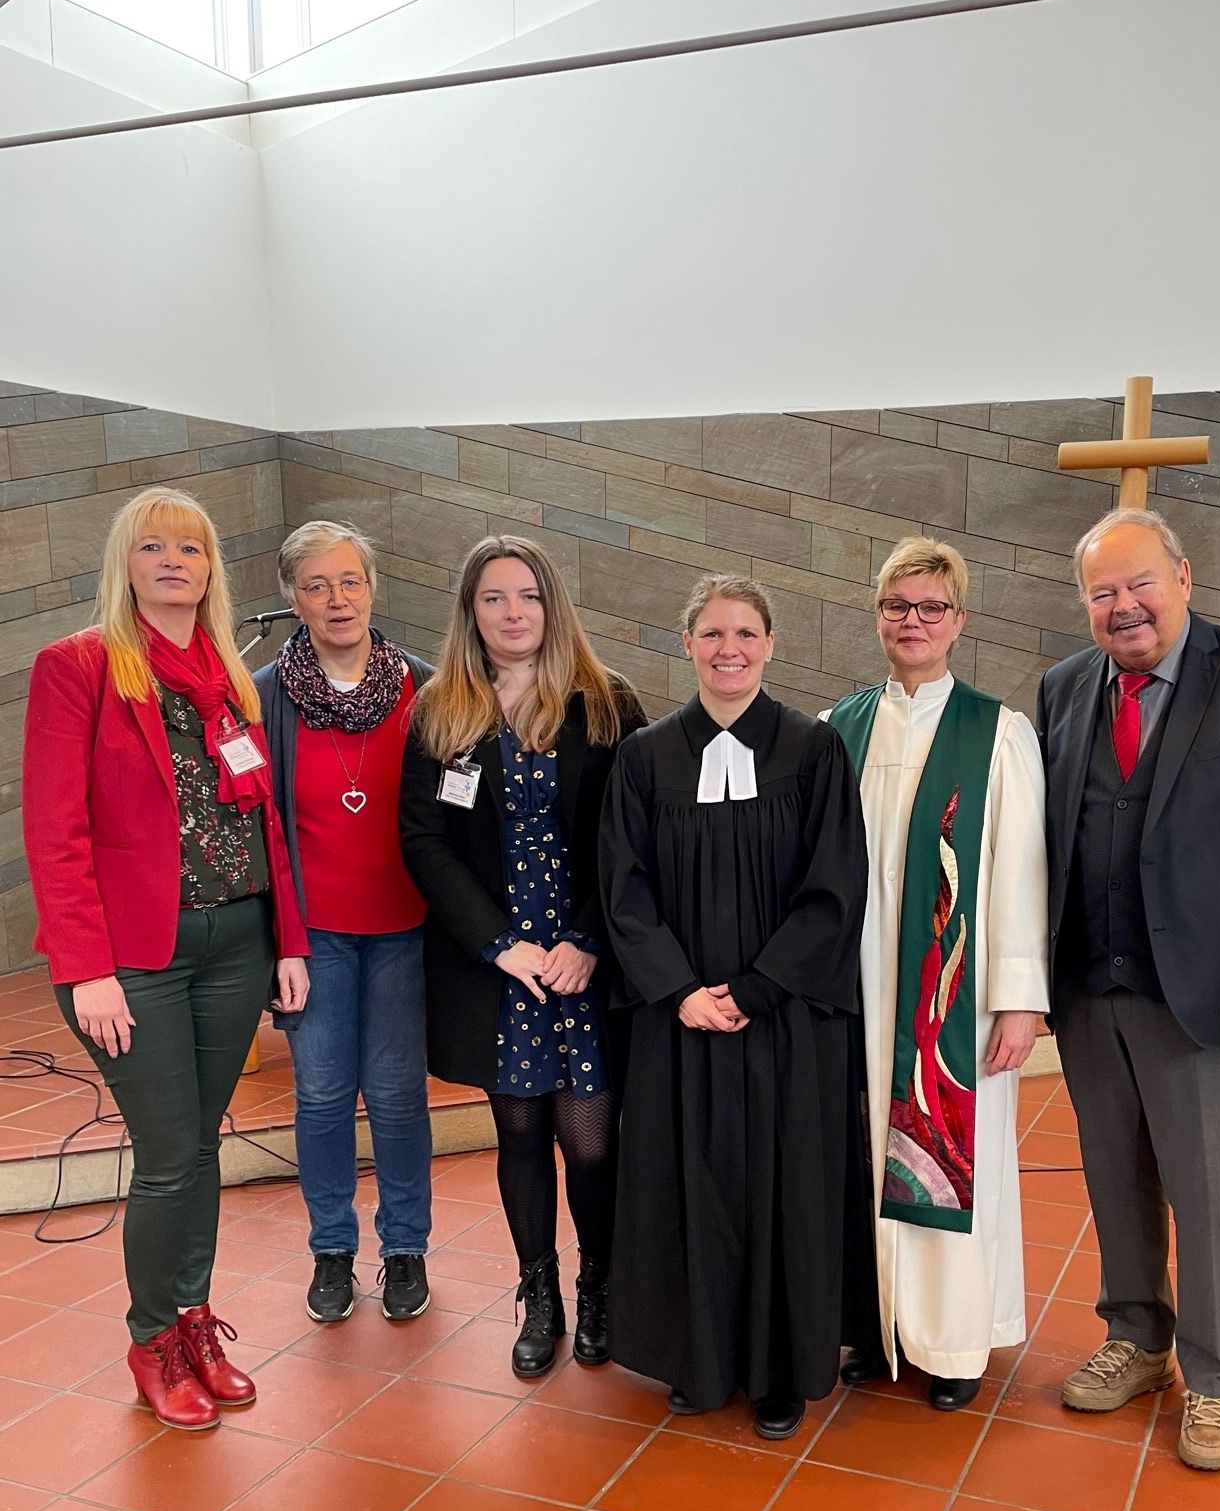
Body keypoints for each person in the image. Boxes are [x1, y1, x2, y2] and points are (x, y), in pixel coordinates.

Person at [1037, 507, 1220, 1471]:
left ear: (1184, 577)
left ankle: (1212, 1380)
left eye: (1138, 585)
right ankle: (1139, 1338)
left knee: (1206, 1196)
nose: (1123, 607)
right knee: (1115, 1178)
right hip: (1089, 987)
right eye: (1101, 593)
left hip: (1203, 995)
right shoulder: (1063, 688)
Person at [22, 487, 309, 1432]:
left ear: (211, 568)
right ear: (126, 562)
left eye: (191, 547)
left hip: (236, 943)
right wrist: (86, 964)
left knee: (197, 1149)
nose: (174, 561)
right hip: (132, 958)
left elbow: (263, 817)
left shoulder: (227, 673)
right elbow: (54, 828)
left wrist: (287, 943)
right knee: (165, 1158)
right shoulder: (81, 667)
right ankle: (153, 1342)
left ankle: (194, 1325)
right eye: (154, 546)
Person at [600, 574, 869, 1439]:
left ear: (770, 644)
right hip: (682, 1023)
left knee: (787, 1183)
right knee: (691, 1181)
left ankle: (784, 1368)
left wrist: (755, 989)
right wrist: (679, 991)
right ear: (687, 644)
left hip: (783, 1016)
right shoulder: (644, 759)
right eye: (712, 634)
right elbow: (623, 890)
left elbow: (835, 886)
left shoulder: (813, 752)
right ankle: (699, 1359)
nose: (729, 650)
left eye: (745, 634)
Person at [400, 535, 645, 1377]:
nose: (514, 614)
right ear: (470, 611)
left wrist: (587, 939)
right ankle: (537, 1295)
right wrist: (499, 946)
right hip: (501, 970)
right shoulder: (441, 710)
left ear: (554, 606)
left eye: (529, 597)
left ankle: (601, 1287)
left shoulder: (606, 702)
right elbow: (425, 841)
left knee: (593, 1140)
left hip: (585, 964)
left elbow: (634, 838)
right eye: (495, 598)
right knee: (519, 1130)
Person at [830, 537, 1050, 1412]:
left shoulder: (997, 732)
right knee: (854, 1151)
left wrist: (1019, 1000)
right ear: (877, 616)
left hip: (946, 999)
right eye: (896, 607)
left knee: (948, 1156)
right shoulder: (837, 727)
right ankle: (870, 1324)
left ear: (958, 621)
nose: (912, 622)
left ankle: (952, 1342)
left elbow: (1020, 867)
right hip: (853, 988)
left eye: (930, 608)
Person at [253, 521, 435, 1326]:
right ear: (293, 597)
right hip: (312, 936)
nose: (337, 599)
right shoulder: (261, 694)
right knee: (324, 1097)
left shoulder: (426, 687)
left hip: (404, 928)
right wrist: (273, 940)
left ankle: (405, 1249)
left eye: (350, 581)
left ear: (373, 588)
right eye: (318, 585)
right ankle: (332, 1248)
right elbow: (254, 824)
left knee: (397, 1098)